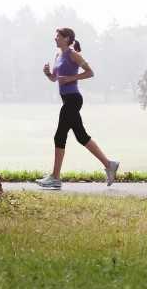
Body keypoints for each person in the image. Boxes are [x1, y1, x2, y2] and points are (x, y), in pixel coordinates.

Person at [34, 27, 119, 189]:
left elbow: (90, 72)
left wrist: (72, 78)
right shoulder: (57, 55)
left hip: (73, 99)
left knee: (59, 136)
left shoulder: (73, 54)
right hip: (66, 100)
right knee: (81, 136)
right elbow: (55, 79)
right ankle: (109, 164)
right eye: (56, 36)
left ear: (67, 39)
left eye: (58, 36)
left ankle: (55, 177)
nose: (55, 38)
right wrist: (47, 74)